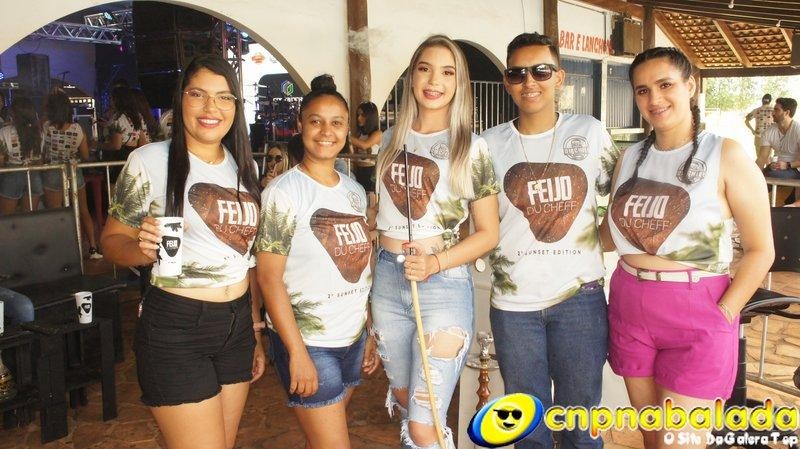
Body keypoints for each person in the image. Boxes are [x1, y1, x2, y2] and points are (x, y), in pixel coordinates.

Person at [600, 47, 773, 449]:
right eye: (642, 90)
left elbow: (761, 249)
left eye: (666, 85)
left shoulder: (725, 154)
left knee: (679, 442)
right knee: (653, 438)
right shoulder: (629, 158)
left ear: (690, 86)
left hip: (698, 309)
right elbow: (609, 233)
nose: (654, 99)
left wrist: (725, 312)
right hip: (630, 304)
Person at [100, 54, 265, 449]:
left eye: (224, 97)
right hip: (177, 326)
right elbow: (111, 241)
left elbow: (247, 259)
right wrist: (143, 251)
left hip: (237, 325)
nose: (211, 108)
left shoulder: (245, 168)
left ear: (236, 106)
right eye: (198, 94)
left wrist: (255, 328)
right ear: (181, 100)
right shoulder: (149, 160)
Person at [481, 32, 618, 449]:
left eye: (541, 71)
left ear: (559, 77)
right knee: (528, 425)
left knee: (580, 423)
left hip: (579, 299)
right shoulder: (488, 145)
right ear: (507, 82)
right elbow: (477, 220)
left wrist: (599, 241)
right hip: (514, 306)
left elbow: (622, 196)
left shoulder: (589, 132)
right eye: (517, 73)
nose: (529, 81)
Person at [372, 34, 500, 449]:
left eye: (448, 72)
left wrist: (435, 263)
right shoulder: (390, 139)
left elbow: (488, 233)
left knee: (424, 424)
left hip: (441, 285)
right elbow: (383, 214)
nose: (434, 81)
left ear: (459, 83)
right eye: (425, 69)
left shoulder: (471, 147)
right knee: (406, 402)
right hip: (387, 282)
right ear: (411, 76)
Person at [254, 85, 379, 449]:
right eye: (316, 121)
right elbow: (269, 278)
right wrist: (296, 353)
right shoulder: (283, 192)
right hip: (310, 344)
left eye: (337, 122)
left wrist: (369, 331)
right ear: (300, 125)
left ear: (347, 129)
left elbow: (359, 266)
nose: (327, 131)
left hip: (351, 338)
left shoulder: (354, 191)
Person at [41, 89, 103, 259]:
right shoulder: (77, 128)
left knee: (56, 213)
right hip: (74, 172)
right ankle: (93, 248)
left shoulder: (46, 127)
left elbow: (42, 153)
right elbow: (85, 155)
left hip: (53, 172)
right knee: (83, 210)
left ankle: (61, 250)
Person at [0, 96, 43, 214]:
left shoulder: (4, 132)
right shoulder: (39, 132)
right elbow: (40, 159)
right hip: (34, 176)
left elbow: (1, 160)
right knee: (29, 218)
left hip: (11, 175)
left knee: (8, 218)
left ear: (14, 114)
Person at [99, 86, 149, 178]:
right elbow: (143, 142)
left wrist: (97, 145)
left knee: (115, 185)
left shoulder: (117, 118)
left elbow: (116, 145)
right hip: (134, 158)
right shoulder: (137, 117)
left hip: (118, 160)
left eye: (111, 98)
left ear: (117, 100)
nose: (110, 102)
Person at [759, 97, 800, 179]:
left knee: (771, 175)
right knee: (759, 174)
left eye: (776, 110)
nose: (772, 113)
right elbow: (761, 159)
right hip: (775, 168)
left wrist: (787, 165)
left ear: (787, 113)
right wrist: (753, 173)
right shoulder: (769, 131)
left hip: (794, 168)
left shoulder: (797, 130)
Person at [351, 101, 382, 200]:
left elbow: (365, 145)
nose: (359, 118)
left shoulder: (378, 133)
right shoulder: (359, 134)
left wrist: (347, 137)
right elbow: (353, 154)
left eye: (363, 115)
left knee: (370, 199)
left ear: (370, 117)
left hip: (371, 171)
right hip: (358, 169)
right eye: (358, 115)